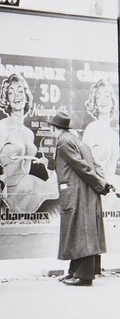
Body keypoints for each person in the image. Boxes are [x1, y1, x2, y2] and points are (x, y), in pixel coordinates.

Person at [47, 112, 112, 287]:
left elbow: (81, 166)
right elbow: (94, 164)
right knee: (80, 232)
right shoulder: (78, 141)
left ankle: (84, 276)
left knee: (80, 232)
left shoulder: (63, 141)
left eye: (50, 128)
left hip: (78, 193)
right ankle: (74, 272)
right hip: (85, 191)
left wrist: (101, 184)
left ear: (54, 128)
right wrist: (102, 183)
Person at [0, 73, 58, 214]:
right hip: (8, 193)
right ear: (6, 100)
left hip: (26, 194)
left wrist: (43, 163)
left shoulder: (29, 133)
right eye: (11, 93)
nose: (17, 96)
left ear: (26, 96)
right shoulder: (4, 125)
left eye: (20, 91)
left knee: (54, 184)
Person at [82, 79, 120, 274]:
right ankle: (91, 268)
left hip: (108, 189)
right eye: (99, 97)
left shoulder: (114, 134)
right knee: (93, 228)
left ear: (113, 101)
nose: (103, 100)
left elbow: (113, 167)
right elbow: (86, 163)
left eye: (107, 95)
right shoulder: (92, 129)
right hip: (94, 188)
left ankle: (96, 266)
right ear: (94, 104)